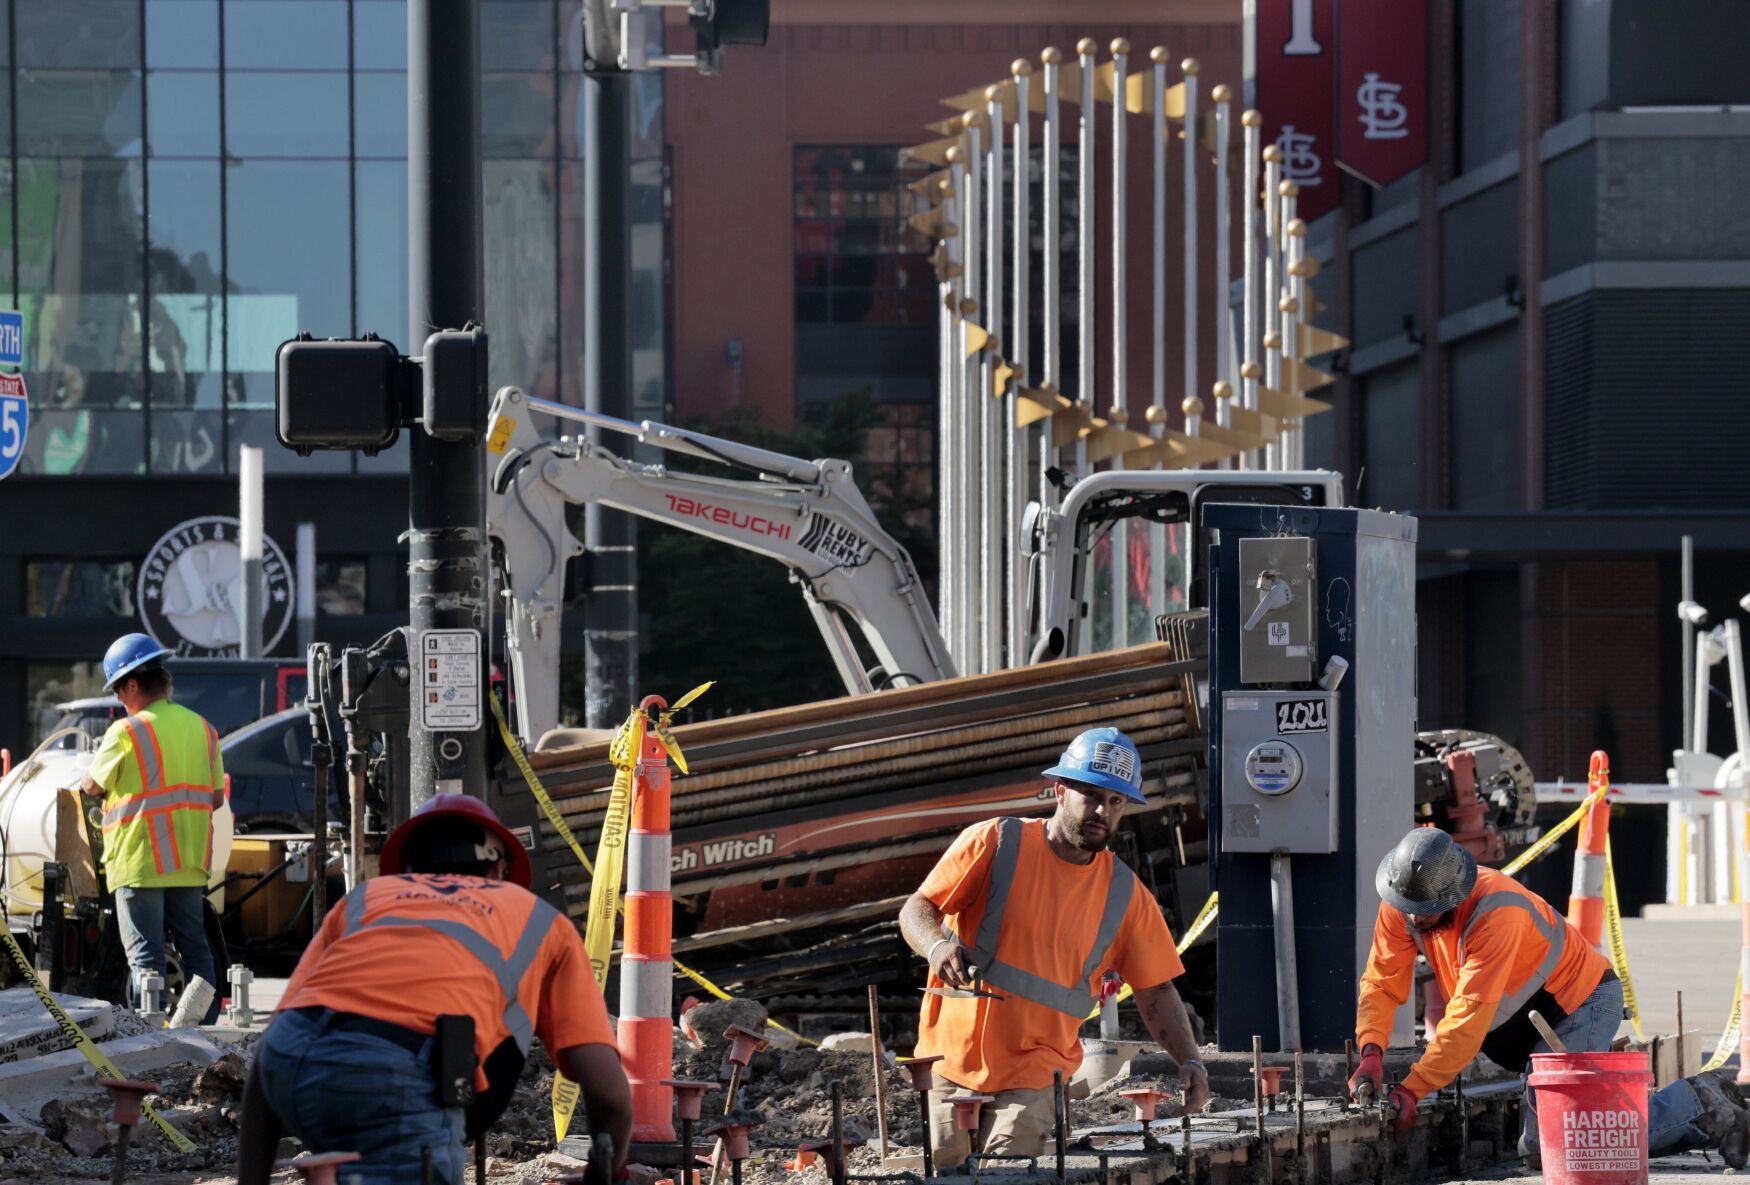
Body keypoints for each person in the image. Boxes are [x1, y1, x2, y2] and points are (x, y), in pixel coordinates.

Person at [236, 794, 631, 1185]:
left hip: (286, 1065)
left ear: (408, 868)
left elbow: (275, 1041)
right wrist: (605, 1174)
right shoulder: (539, 919)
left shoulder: (365, 900)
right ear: (500, 871)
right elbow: (609, 1094)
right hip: (397, 1083)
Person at [900, 728, 1211, 1170]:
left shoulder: (1125, 894)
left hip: (1036, 1073)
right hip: (950, 1062)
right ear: (1060, 790)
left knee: (1007, 1177)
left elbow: (1155, 990)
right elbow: (917, 907)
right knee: (948, 1175)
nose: (1103, 811)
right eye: (1092, 795)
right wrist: (935, 946)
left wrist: (1191, 1060)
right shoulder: (995, 842)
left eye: (1116, 802)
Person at [1350, 825, 1749, 1167]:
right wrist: (1372, 1052)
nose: (1417, 920)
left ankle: (1699, 1104)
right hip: (1531, 1020)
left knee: (1560, 1143)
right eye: (1411, 910)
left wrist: (1413, 1089)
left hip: (1578, 1004)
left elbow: (1467, 1017)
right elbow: (1381, 982)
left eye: (1427, 912)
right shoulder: (1402, 904)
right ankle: (1695, 1107)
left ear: (1454, 894)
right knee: (1554, 1145)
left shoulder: (1496, 912)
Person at [74, 633, 221, 1020]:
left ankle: (152, 1035)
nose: (119, 702)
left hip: (139, 862)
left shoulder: (126, 732)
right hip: (188, 861)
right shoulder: (204, 729)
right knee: (196, 950)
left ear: (134, 685)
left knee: (145, 958)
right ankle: (202, 1030)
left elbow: (90, 786)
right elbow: (216, 797)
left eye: (119, 691)